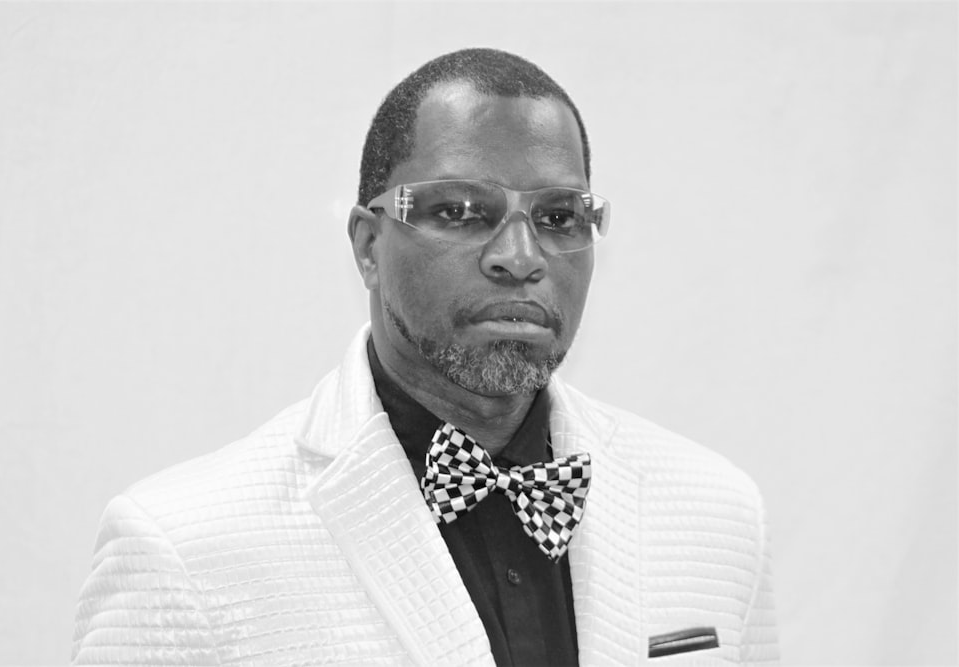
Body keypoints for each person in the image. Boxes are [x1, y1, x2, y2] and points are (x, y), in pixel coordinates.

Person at [72, 48, 779, 665]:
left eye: (559, 217)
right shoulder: (181, 548)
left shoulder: (717, 513)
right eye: (460, 211)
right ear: (368, 245)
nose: (519, 257)